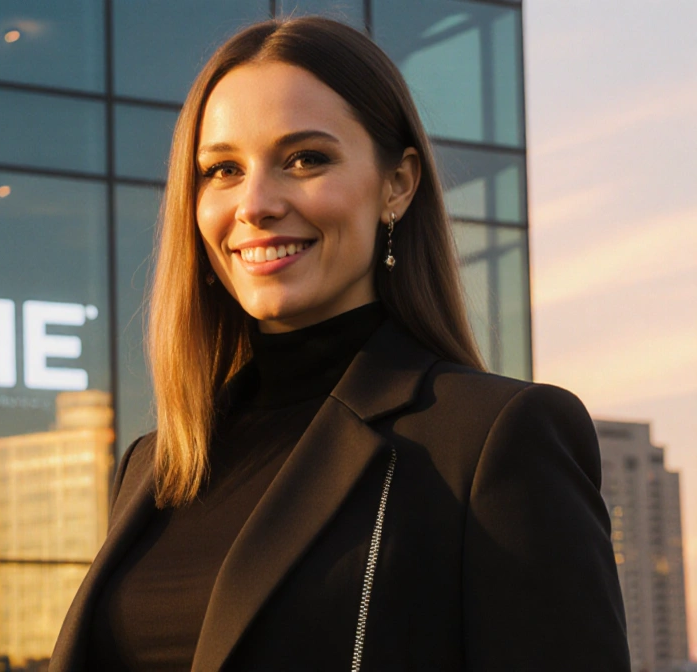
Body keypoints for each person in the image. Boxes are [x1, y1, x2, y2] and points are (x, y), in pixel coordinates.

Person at [49, 16, 630, 672]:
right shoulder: (155, 465)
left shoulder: (492, 440)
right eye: (222, 170)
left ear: (398, 184)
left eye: (305, 159)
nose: (256, 203)